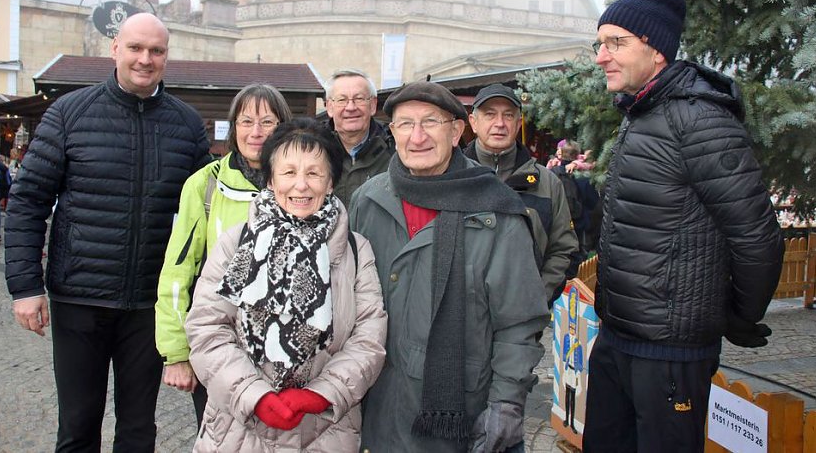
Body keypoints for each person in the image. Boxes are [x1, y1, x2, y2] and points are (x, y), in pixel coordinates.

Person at [584, 0, 784, 452]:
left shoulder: (699, 120)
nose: (601, 57)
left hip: (669, 356)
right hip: (619, 339)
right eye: (600, 44)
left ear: (656, 50)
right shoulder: (642, 112)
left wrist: (739, 317)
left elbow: (757, 237)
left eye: (615, 43)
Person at [4, 12, 210, 452]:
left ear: (166, 57)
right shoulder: (69, 113)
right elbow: (28, 200)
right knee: (78, 427)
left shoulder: (187, 125)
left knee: (138, 430)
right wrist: (25, 286)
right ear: (114, 48)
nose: (145, 59)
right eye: (136, 47)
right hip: (79, 297)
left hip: (148, 305)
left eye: (156, 50)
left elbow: (202, 218)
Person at [349, 81, 550, 453]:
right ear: (392, 133)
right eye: (405, 124)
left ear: (457, 131)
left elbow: (518, 324)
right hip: (379, 411)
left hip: (459, 418)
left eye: (431, 122)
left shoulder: (495, 210)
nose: (418, 136)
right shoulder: (368, 200)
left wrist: (505, 404)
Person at [186, 118, 387, 452]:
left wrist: (320, 393)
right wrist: (254, 395)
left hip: (325, 431)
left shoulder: (355, 249)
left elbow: (369, 337)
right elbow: (208, 328)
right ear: (270, 179)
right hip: (238, 431)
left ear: (331, 182)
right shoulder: (236, 243)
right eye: (289, 172)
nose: (301, 185)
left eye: (313, 173)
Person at [156, 83, 293, 429]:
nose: (256, 132)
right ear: (233, 128)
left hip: (287, 353)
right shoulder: (205, 185)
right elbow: (178, 271)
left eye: (267, 122)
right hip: (221, 346)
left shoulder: (302, 184)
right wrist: (176, 353)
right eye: (246, 122)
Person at [464, 83, 578, 305]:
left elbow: (563, 249)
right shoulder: (453, 178)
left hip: (523, 322)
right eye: (490, 115)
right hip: (461, 321)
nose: (499, 124)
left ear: (518, 124)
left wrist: (537, 299)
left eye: (508, 116)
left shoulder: (547, 184)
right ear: (473, 123)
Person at [324, 69, 393, 207]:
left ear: (373, 105)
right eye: (342, 100)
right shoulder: (314, 148)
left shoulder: (394, 147)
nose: (350, 107)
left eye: (359, 98)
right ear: (329, 107)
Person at [549, 140, 600, 256]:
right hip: (579, 227)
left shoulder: (552, 173)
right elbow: (593, 203)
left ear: (560, 153)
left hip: (556, 225)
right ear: (577, 155)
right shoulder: (584, 177)